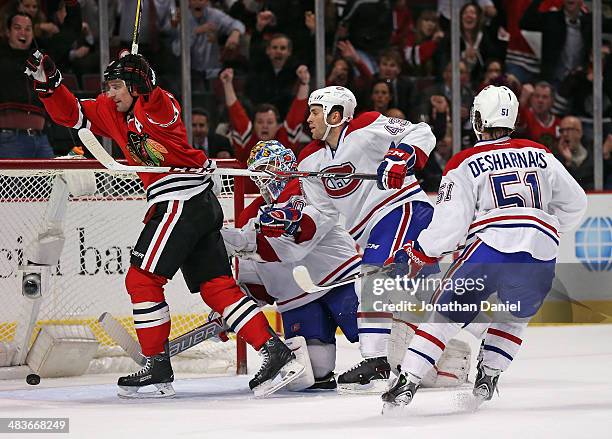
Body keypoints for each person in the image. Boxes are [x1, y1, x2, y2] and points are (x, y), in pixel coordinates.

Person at [24, 49, 303, 398]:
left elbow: (163, 106)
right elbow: (71, 114)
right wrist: (49, 85)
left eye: (115, 87)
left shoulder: (156, 105)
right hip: (195, 203)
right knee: (217, 286)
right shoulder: (111, 110)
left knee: (141, 279)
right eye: (107, 88)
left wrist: (147, 84)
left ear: (134, 86)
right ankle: (276, 353)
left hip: (180, 200)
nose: (109, 94)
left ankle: (157, 366)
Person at [380, 85, 587, 411]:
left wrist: (419, 252)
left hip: (491, 247)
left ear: (478, 118)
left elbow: (449, 226)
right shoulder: (541, 153)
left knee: (446, 315)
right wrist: (543, 227)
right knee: (514, 318)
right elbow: (576, 203)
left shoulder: (465, 161)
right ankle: (489, 376)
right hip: (542, 251)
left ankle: (407, 382)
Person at [297, 85, 436, 392]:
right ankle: (450, 354)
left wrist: (401, 157)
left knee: (371, 279)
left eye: (315, 112)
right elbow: (323, 215)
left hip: (403, 209)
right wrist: (296, 225)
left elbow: (421, 132)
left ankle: (376, 361)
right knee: (414, 294)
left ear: (336, 115)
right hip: (374, 229)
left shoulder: (366, 126)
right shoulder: (309, 161)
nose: (308, 119)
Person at [222, 140, 361, 391]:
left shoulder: (308, 187)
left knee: (374, 336)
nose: (265, 177)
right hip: (297, 298)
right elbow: (260, 279)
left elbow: (302, 235)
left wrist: (286, 223)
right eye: (258, 171)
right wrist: (234, 309)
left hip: (338, 277)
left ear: (285, 163)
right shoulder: (250, 217)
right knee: (314, 371)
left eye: (268, 168)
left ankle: (423, 357)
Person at [0, 12, 54, 158]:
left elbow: (69, 34)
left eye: (28, 28)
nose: (23, 32)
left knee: (53, 180)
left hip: (42, 139)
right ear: (7, 32)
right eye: (17, 27)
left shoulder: (40, 58)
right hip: (9, 139)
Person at [555, 115, 593, 189]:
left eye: (569, 129)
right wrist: (568, 163)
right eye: (562, 131)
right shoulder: (556, 160)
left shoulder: (593, 154)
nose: (565, 134)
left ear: (580, 132)